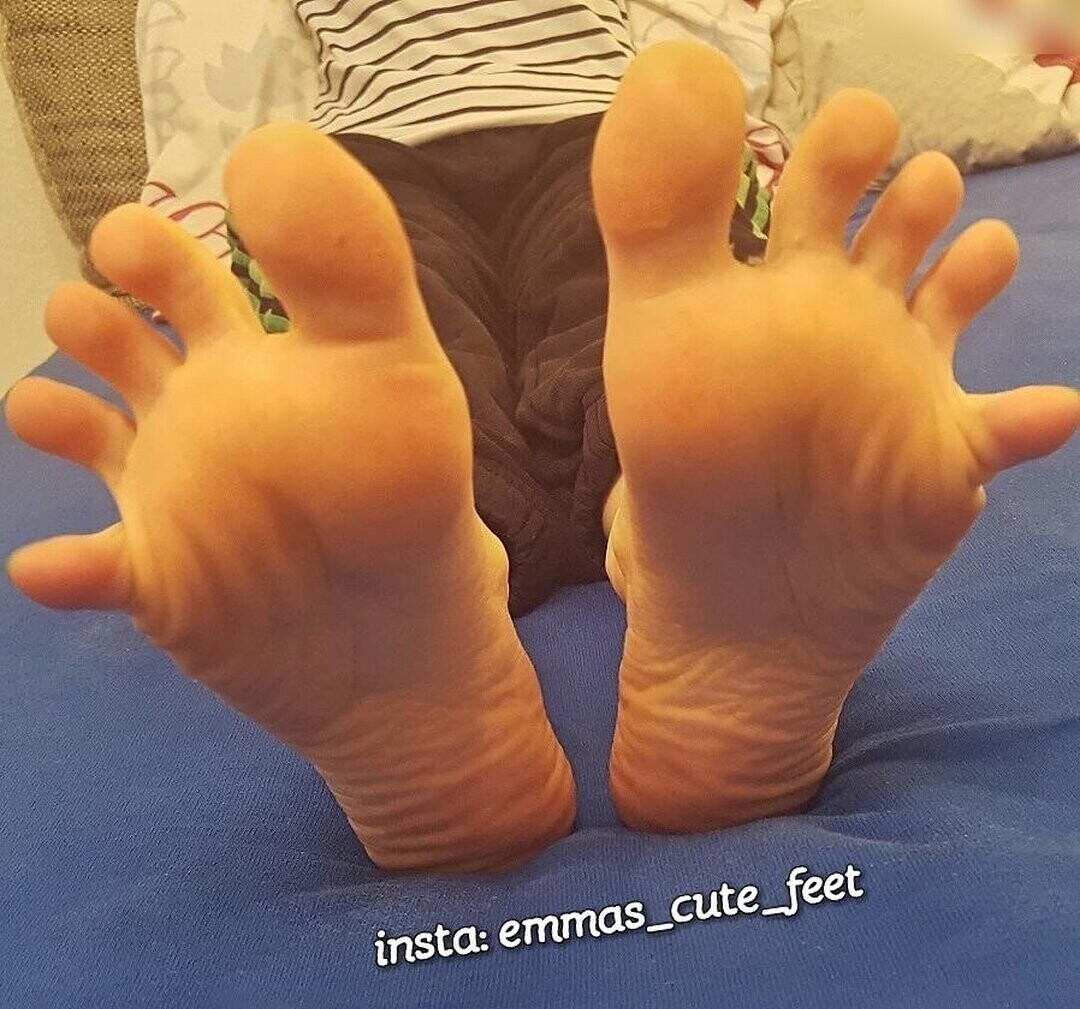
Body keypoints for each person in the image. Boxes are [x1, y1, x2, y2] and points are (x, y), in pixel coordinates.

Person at [5, 18, 1078, 874]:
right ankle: (462, 557)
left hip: (597, 137)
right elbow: (230, 78)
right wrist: (211, 223)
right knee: (401, 353)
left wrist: (740, 152)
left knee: (628, 308)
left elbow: (700, 51)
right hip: (373, 170)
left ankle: (614, 523)